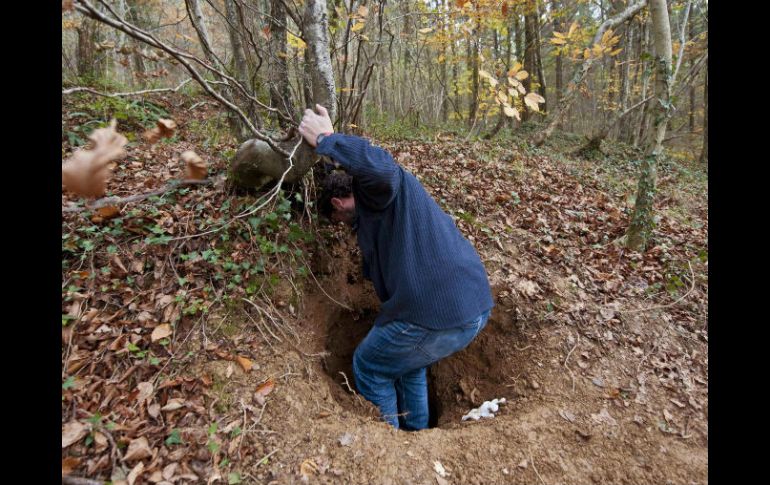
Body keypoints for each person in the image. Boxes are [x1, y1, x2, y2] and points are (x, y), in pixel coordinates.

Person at [299, 105, 494, 430]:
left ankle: (387, 436)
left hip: (440, 314)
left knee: (370, 364)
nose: (342, 227)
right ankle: (415, 430)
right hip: (472, 307)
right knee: (407, 363)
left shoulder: (379, 194)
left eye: (336, 221)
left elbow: (383, 169)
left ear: (337, 204)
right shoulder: (386, 214)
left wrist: (328, 140)